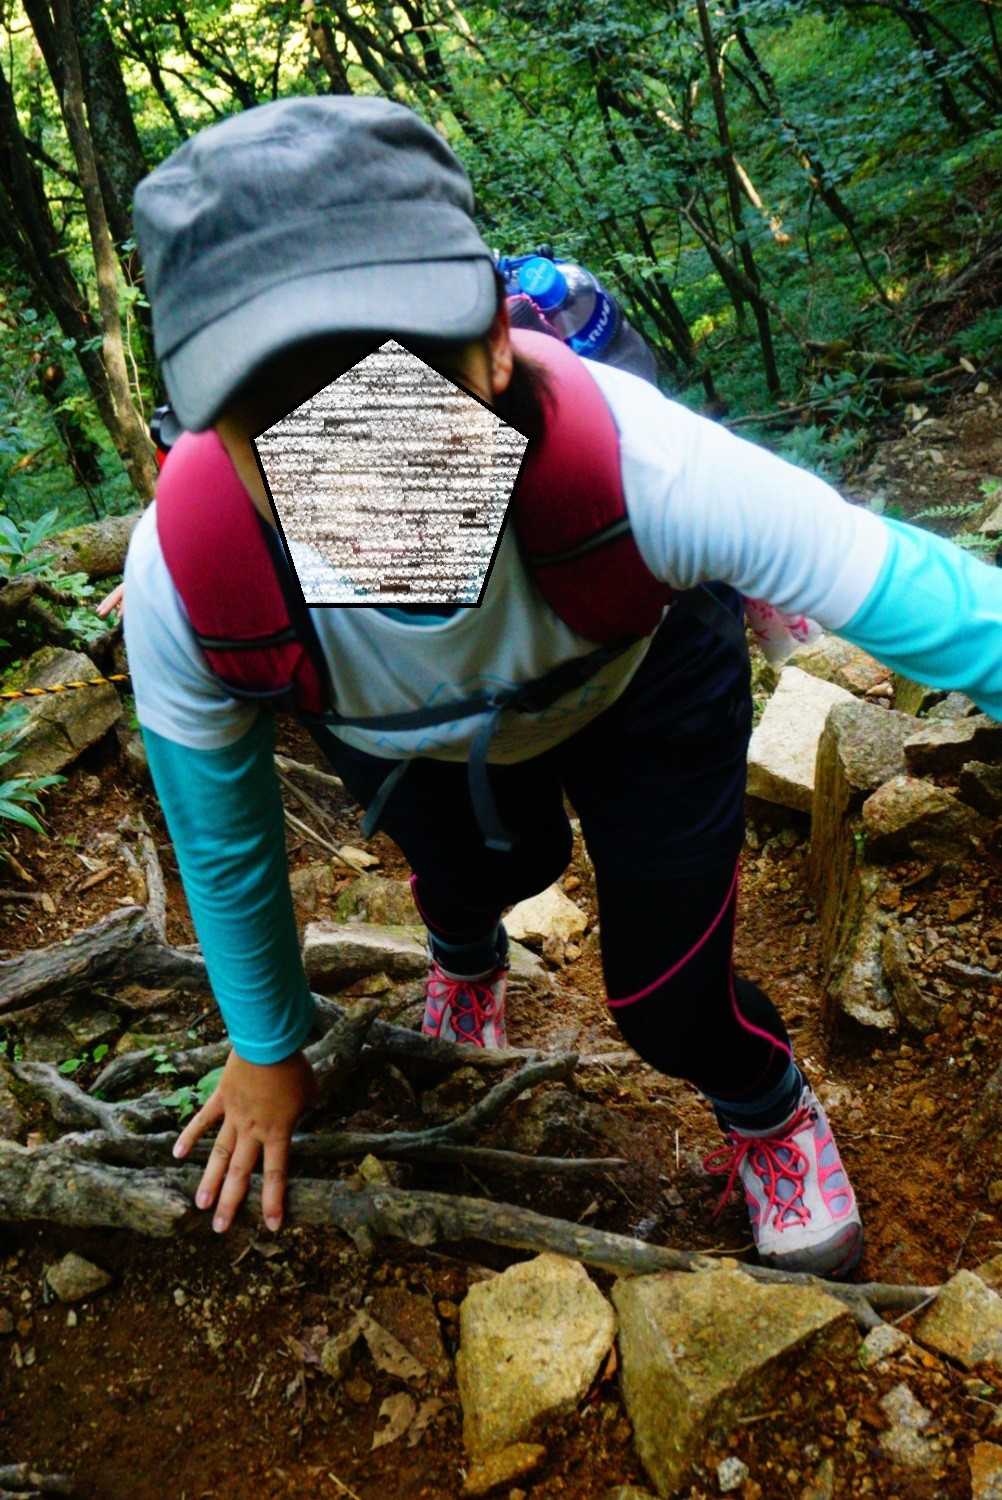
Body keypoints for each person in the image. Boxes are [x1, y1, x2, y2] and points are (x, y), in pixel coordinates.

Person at [122, 94, 1002, 1282]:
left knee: (666, 997)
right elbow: (224, 843)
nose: (360, 465)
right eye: (283, 418)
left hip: (641, 680)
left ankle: (768, 1109)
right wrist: (268, 1047)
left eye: (395, 382)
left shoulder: (641, 466)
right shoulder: (192, 583)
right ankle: (467, 953)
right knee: (487, 873)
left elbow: (939, 603)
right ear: (205, 441)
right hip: (417, 740)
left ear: (495, 345)